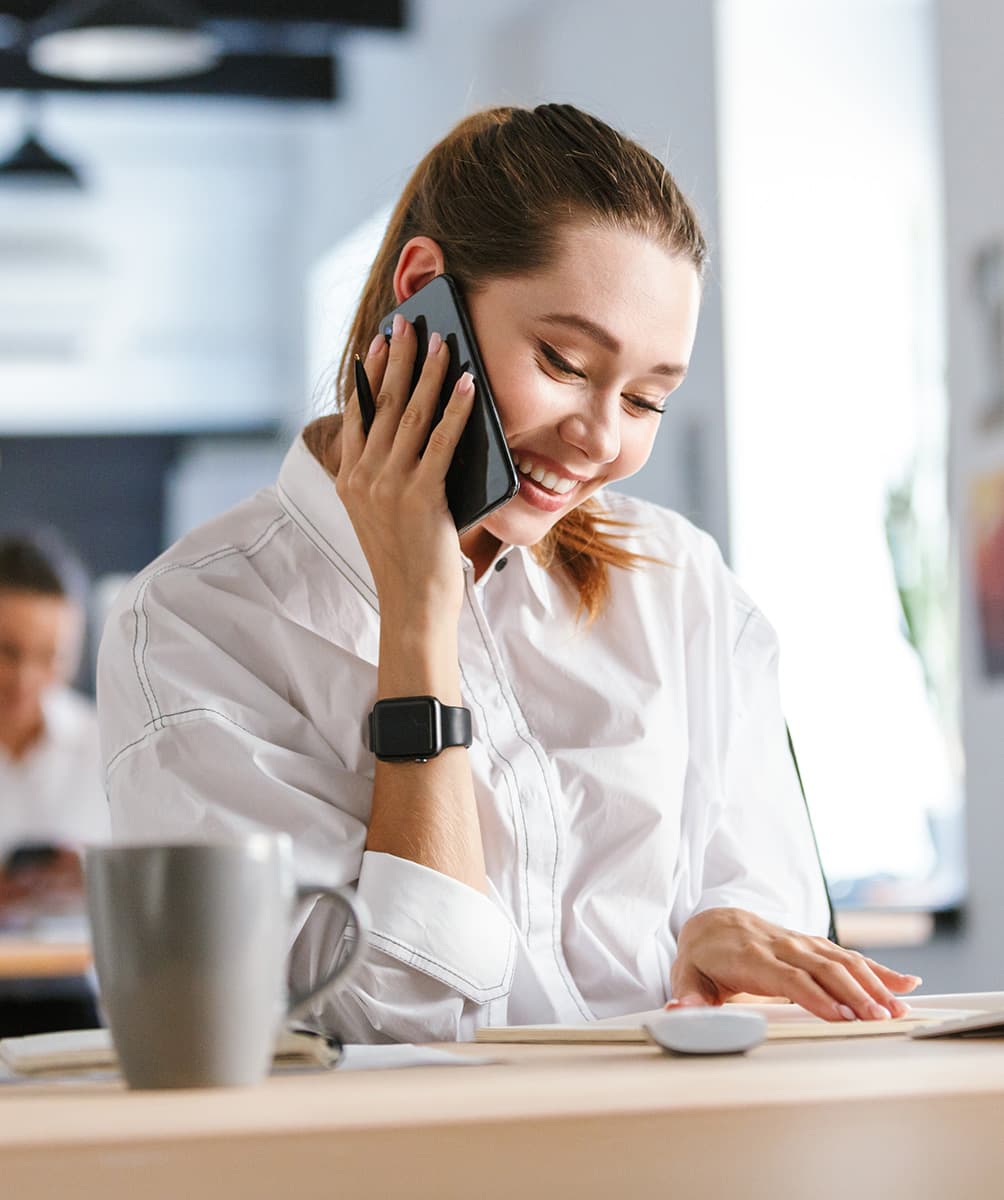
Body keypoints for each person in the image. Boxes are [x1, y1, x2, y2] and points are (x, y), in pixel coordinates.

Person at [97, 103, 920, 1043]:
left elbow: (779, 937)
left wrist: (727, 929)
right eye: (565, 362)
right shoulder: (195, 622)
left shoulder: (677, 580)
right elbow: (389, 1020)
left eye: (649, 397)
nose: (602, 439)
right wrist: (417, 621)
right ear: (424, 294)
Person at [0, 530, 109, 918]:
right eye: (7, 651)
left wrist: (95, 877)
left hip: (74, 971)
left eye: (50, 657)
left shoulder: (108, 748)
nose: (24, 680)